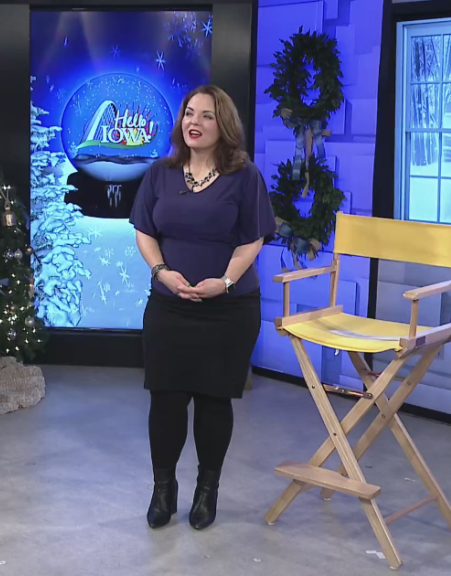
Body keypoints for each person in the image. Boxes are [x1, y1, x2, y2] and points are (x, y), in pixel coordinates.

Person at [129, 85, 276, 531]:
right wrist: (162, 272)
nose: (194, 122)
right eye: (189, 113)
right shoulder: (161, 173)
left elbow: (253, 239)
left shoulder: (245, 177)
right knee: (166, 399)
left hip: (228, 310)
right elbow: (144, 230)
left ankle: (207, 491)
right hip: (169, 307)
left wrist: (225, 282)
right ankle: (163, 490)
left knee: (214, 400)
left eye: (206, 116)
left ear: (223, 124)